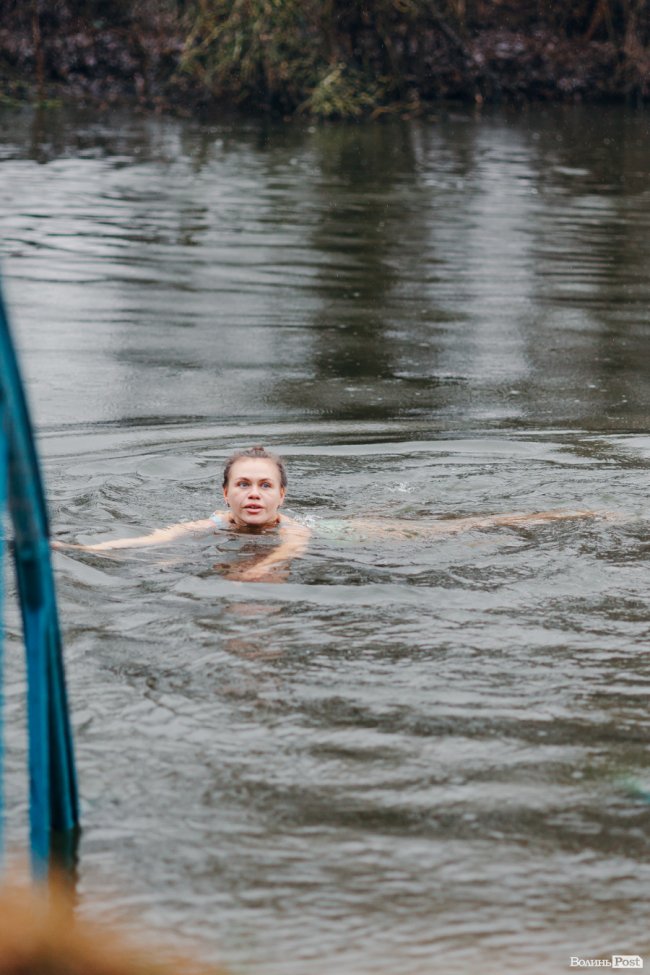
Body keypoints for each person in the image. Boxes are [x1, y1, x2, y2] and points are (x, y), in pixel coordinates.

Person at [54, 445, 602, 581]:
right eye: (242, 484)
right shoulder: (212, 525)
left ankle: (567, 512)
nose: (253, 494)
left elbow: (286, 553)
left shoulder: (289, 528)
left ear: (281, 497)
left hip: (342, 532)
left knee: (455, 528)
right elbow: (149, 540)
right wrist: (78, 551)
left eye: (264, 486)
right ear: (224, 494)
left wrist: (255, 571)